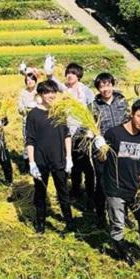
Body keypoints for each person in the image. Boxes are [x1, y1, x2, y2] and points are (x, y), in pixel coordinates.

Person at [102, 99, 140, 266]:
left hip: (134, 189)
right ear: (132, 113)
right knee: (118, 224)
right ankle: (122, 251)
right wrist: (98, 146)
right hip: (115, 188)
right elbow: (101, 158)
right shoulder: (113, 134)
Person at [44, 56, 95, 204]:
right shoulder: (65, 90)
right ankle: (76, 191)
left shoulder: (86, 91)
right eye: (68, 73)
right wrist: (48, 71)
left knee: (87, 166)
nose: (69, 75)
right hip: (68, 133)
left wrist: (92, 129)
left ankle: (90, 193)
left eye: (73, 73)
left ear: (79, 75)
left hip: (84, 134)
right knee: (73, 165)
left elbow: (93, 110)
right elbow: (52, 80)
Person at [26, 80, 74, 234]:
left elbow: (67, 135)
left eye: (53, 92)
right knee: (40, 192)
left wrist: (69, 157)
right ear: (40, 94)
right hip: (40, 161)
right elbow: (30, 140)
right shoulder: (33, 114)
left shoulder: (59, 111)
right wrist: (32, 162)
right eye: (47, 92)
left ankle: (69, 222)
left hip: (59, 159)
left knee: (63, 192)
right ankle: (40, 223)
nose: (51, 95)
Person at [90, 72, 129, 227]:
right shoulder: (93, 105)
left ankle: (123, 214)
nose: (105, 89)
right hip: (102, 149)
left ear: (112, 84)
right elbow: (88, 126)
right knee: (101, 182)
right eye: (101, 86)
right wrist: (94, 136)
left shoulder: (122, 101)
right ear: (98, 88)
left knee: (122, 181)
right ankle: (100, 215)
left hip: (122, 148)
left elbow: (129, 121)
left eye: (108, 84)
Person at [17, 62, 39, 162]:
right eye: (27, 80)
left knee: (39, 141)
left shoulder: (39, 91)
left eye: (31, 80)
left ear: (35, 80)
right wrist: (25, 109)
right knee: (28, 142)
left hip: (39, 122)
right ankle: (28, 162)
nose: (29, 82)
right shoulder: (23, 93)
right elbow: (20, 108)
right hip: (27, 122)